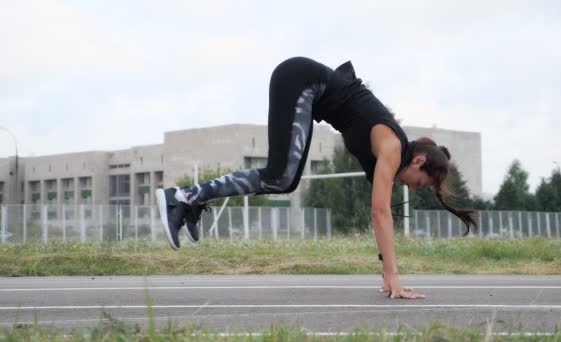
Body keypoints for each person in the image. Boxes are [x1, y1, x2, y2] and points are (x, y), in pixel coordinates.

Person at [155, 56, 477, 299]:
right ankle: (182, 198)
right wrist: (392, 275)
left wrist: (386, 271)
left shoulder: (394, 149)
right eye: (418, 181)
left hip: (304, 85)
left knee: (285, 180)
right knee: (280, 176)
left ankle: (189, 199)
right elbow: (379, 212)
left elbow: (383, 215)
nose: (410, 186)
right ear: (418, 160)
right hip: (301, 80)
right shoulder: (393, 148)